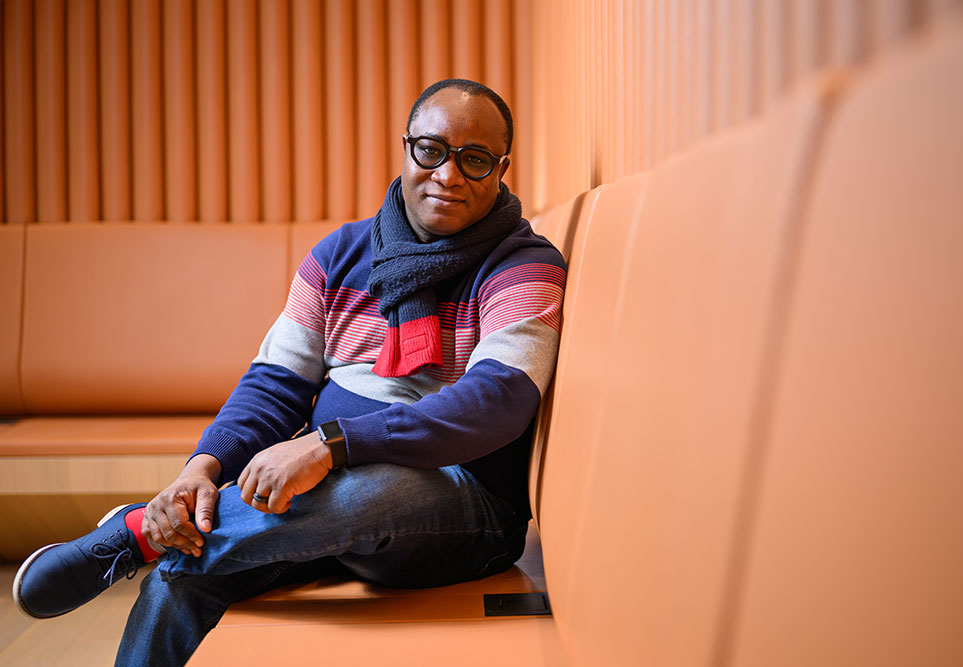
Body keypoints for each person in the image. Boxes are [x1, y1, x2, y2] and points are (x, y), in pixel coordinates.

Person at [12, 79, 567, 666]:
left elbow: (496, 401)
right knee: (184, 578)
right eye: (430, 150)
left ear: (501, 169)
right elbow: (274, 385)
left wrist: (331, 446)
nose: (448, 175)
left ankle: (140, 535)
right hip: (321, 504)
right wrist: (201, 469)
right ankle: (169, 534)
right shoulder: (339, 254)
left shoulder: (524, 265)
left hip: (465, 507)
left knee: (363, 490)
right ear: (406, 148)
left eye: (474, 160)